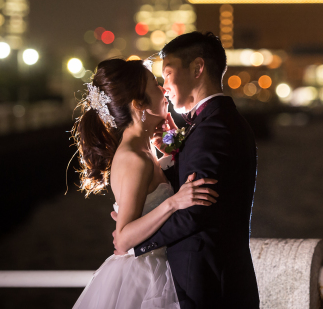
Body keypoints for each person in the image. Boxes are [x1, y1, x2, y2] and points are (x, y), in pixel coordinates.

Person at [120, 31, 260, 309]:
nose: (164, 87)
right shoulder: (212, 122)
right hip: (209, 279)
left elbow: (197, 210)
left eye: (168, 74)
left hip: (209, 284)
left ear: (197, 68)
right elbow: (189, 184)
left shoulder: (214, 128)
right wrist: (174, 149)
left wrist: (136, 243)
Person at [70, 58, 219, 309]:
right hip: (143, 278)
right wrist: (173, 203)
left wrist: (172, 142)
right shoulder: (134, 158)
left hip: (156, 266)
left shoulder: (144, 148)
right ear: (139, 104)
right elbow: (123, 239)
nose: (164, 89)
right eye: (155, 84)